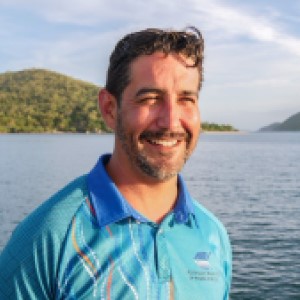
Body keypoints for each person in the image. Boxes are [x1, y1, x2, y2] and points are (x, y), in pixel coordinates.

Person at [0, 27, 232, 299]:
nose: (171, 121)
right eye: (150, 99)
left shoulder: (211, 233)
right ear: (110, 109)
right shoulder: (48, 237)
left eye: (186, 99)